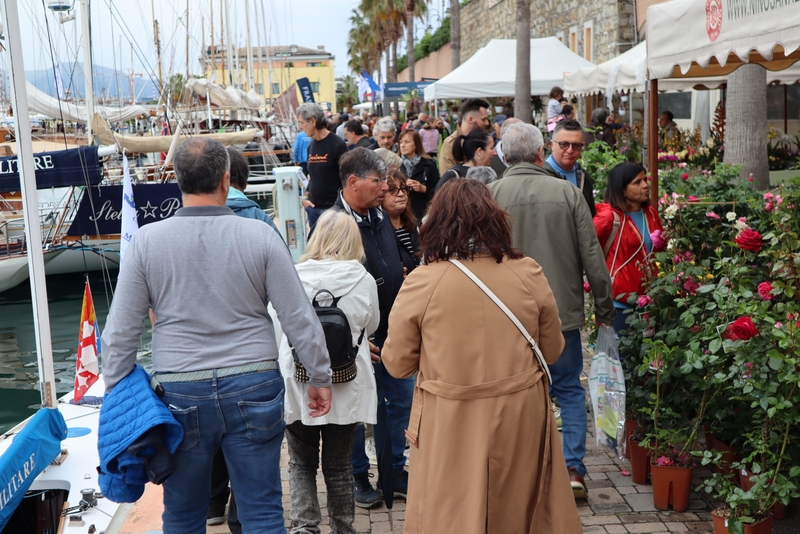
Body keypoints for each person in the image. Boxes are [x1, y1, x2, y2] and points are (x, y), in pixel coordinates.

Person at [101, 137, 332, 533]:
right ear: (226, 180)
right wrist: (319, 376)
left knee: (182, 514)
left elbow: (120, 333)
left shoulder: (146, 243)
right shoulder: (260, 236)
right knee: (261, 512)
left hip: (179, 390)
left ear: (178, 180)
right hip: (254, 382)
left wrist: (117, 392)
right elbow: (299, 317)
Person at [382, 178, 583, 533]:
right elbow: (552, 349)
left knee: (450, 512)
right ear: (496, 220)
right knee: (521, 509)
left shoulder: (423, 281)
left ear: (437, 222)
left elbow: (397, 364)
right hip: (520, 414)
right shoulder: (527, 271)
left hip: (450, 419)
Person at [488, 123, 615, 500]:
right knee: (568, 388)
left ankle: (521, 471)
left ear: (505, 156)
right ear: (541, 152)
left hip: (506, 313)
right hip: (561, 312)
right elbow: (593, 256)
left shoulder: (491, 194)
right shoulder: (567, 192)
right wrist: (604, 308)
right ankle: (573, 467)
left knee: (514, 392)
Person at [279, 209, 380, 534]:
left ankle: (304, 527)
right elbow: (372, 324)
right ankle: (342, 527)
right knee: (338, 464)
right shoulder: (362, 279)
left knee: (300, 461)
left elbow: (277, 327)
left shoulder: (292, 275)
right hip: (346, 380)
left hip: (299, 379)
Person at [208, 146, 284, 531]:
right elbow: (288, 301)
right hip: (253, 361)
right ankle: (240, 516)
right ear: (238, 179)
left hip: (197, 366)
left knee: (209, 438)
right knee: (255, 470)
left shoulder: (170, 227)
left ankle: (212, 501)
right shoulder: (259, 221)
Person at [332, 148, 409, 510]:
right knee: (359, 409)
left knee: (400, 403)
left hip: (396, 330)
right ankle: (359, 475)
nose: (384, 187)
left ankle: (394, 471)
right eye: (377, 181)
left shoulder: (378, 214)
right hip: (359, 339)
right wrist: (354, 340)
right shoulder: (334, 223)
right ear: (353, 183)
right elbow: (328, 292)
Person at [593, 162, 664, 335]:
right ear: (622, 189)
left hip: (648, 302)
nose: (645, 185)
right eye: (637, 182)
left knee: (646, 357)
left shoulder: (651, 214)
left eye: (645, 180)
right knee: (619, 359)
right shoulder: (609, 216)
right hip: (618, 305)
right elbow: (584, 247)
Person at [298, 103, 348, 232]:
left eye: (302, 122)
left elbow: (347, 179)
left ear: (313, 121)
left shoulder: (337, 145)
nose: (300, 127)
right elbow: (313, 177)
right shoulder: (311, 146)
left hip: (334, 211)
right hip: (314, 210)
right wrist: (305, 197)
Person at [545, 120, 598, 217]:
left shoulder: (583, 176)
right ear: (552, 145)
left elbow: (590, 214)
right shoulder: (540, 175)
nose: (570, 150)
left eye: (576, 145)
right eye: (564, 144)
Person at [381, 171, 420, 275]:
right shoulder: (378, 231)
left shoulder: (413, 225)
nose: (401, 194)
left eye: (403, 188)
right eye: (392, 190)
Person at [438, 98, 490, 174]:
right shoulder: (450, 144)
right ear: (471, 119)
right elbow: (448, 180)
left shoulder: (484, 139)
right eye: (483, 119)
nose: (487, 123)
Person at [398, 129, 440, 220]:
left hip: (421, 214)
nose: (402, 145)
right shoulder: (396, 165)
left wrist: (423, 189)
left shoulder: (429, 164)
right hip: (400, 214)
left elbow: (438, 191)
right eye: (400, 142)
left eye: (407, 142)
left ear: (416, 144)